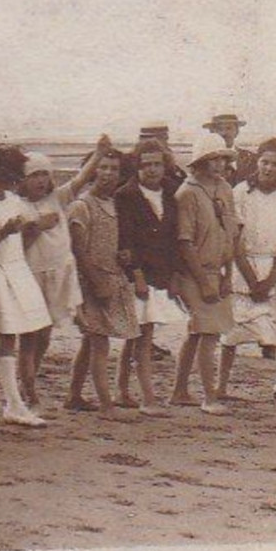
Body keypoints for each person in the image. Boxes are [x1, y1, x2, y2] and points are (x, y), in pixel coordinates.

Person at [218, 138, 276, 409]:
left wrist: (269, 281)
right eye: (264, 162)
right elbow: (234, 241)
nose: (269, 168)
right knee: (232, 331)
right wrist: (252, 280)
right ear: (257, 162)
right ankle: (220, 387)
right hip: (244, 267)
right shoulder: (241, 192)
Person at [0, 145, 51, 427]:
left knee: (20, 333)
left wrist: (30, 228)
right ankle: (13, 404)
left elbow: (20, 241)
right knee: (4, 338)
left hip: (17, 270)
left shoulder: (14, 201)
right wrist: (4, 232)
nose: (13, 179)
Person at [66, 142, 141, 419]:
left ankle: (73, 395)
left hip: (112, 276)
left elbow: (115, 241)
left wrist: (124, 255)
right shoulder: (82, 205)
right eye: (103, 168)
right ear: (92, 171)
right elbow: (78, 250)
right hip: (91, 281)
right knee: (99, 342)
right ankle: (106, 404)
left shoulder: (115, 204)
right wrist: (96, 282)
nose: (108, 174)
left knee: (92, 341)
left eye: (114, 170)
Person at [18, 150, 95, 410]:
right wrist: (38, 226)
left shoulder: (56, 198)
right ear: (23, 179)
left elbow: (80, 180)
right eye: (34, 175)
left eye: (44, 175)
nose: (40, 180)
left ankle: (28, 381)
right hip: (33, 276)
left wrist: (99, 153)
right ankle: (27, 389)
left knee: (45, 336)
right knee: (30, 336)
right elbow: (18, 246)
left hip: (60, 275)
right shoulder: (19, 206)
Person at [169, 133, 239, 415]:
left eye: (222, 158)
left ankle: (179, 391)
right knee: (208, 333)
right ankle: (209, 397)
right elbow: (184, 242)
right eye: (212, 159)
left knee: (198, 332)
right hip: (193, 272)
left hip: (218, 270)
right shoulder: (187, 193)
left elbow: (230, 234)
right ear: (199, 163)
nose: (219, 164)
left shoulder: (225, 189)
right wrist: (203, 282)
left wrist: (227, 274)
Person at [112, 138, 181, 415]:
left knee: (136, 335)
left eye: (157, 164)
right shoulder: (126, 195)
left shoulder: (172, 192)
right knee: (143, 334)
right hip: (137, 273)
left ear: (165, 165)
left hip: (161, 272)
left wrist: (175, 274)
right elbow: (125, 239)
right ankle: (148, 398)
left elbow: (175, 237)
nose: (152, 170)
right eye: (146, 165)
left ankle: (121, 390)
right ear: (137, 167)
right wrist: (137, 275)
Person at [204, 112, 258, 187]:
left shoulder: (251, 159)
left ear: (237, 131)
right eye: (219, 129)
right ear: (212, 132)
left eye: (229, 128)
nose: (224, 133)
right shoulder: (203, 161)